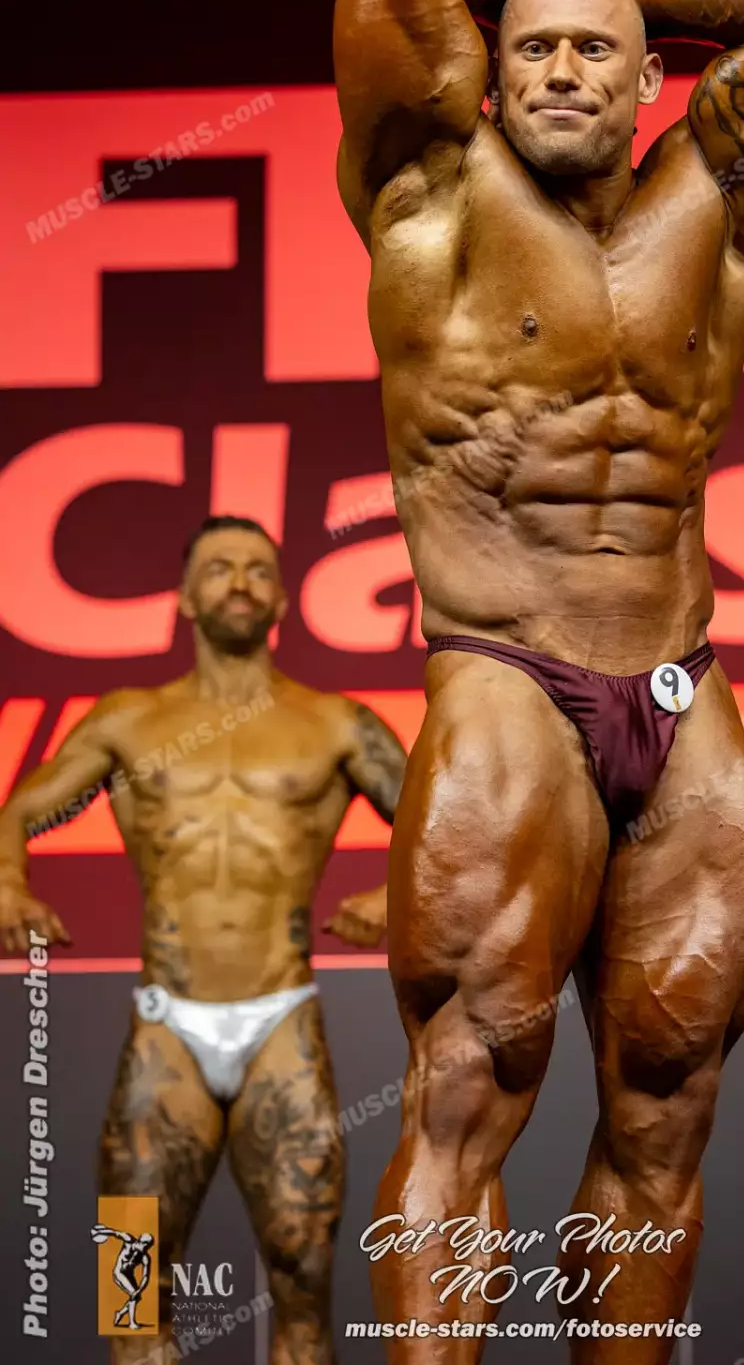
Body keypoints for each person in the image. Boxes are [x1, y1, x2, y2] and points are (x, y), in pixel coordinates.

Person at [335, 0, 744, 1361]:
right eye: (535, 50)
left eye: (596, 52)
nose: (562, 71)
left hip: (684, 688)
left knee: (668, 1101)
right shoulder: (431, 190)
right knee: (470, 1078)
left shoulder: (722, 193)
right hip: (508, 670)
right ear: (493, 73)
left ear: (651, 79)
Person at [0, 515, 407, 1365]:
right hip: (165, 1032)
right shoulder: (126, 721)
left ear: (283, 600)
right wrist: (7, 883)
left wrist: (394, 892)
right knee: (129, 1299)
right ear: (185, 597)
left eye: (258, 569)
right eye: (219, 567)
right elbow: (21, 811)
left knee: (303, 1289)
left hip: (281, 1026)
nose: (240, 582)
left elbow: (443, 832)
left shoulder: (338, 724)